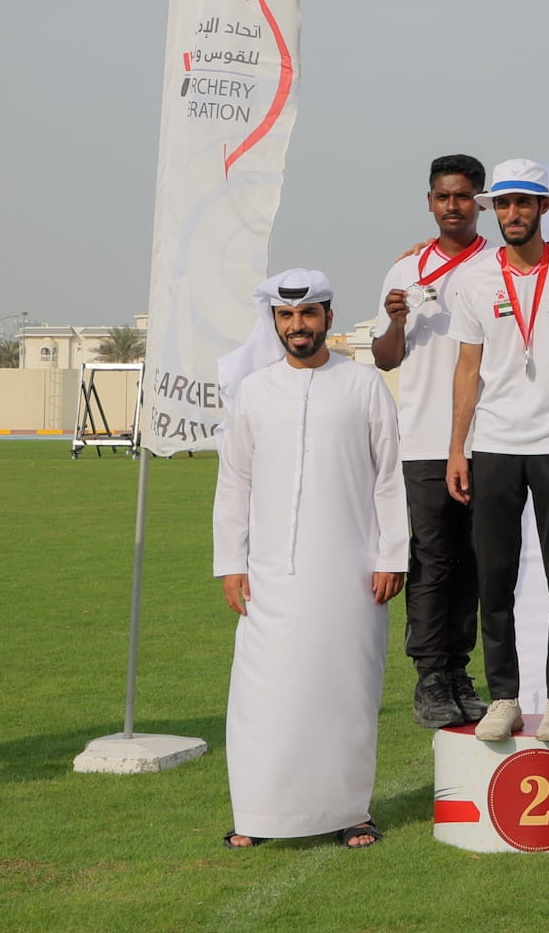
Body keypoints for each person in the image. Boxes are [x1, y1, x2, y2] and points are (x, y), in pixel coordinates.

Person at [214, 269, 405, 850]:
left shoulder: (363, 385)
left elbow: (390, 479)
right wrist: (231, 562)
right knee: (263, 695)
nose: (298, 326)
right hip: (270, 574)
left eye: (309, 314)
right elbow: (234, 483)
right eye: (287, 316)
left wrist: (391, 554)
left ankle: (351, 812)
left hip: (350, 572)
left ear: (327, 315)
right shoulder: (254, 390)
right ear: (274, 321)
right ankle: (257, 817)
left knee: (345, 691)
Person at [448, 159, 549, 744]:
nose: (513, 214)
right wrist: (457, 448)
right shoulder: (474, 279)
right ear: (494, 210)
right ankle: (505, 697)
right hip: (493, 444)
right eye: (505, 204)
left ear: (544, 208)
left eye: (525, 203)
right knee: (494, 577)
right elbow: (468, 367)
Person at [371, 154, 492, 729]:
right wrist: (395, 321)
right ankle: (430, 677)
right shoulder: (404, 272)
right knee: (432, 561)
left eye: (464, 196)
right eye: (444, 196)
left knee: (474, 562)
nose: (453, 206)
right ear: (429, 201)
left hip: (489, 436)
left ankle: (460, 672)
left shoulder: (499, 266)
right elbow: (384, 357)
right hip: (422, 438)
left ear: (480, 202)